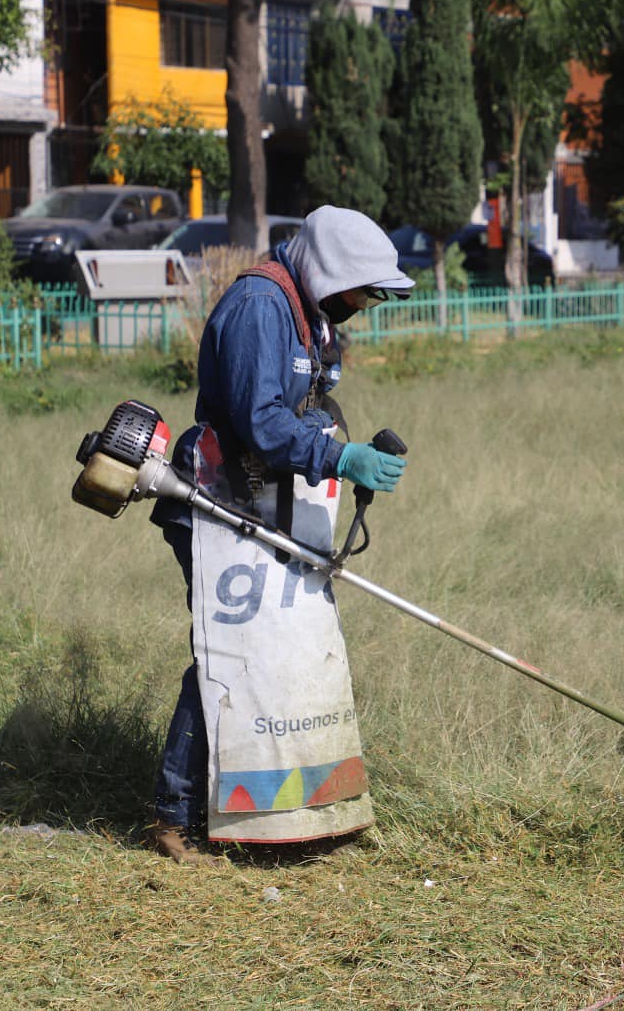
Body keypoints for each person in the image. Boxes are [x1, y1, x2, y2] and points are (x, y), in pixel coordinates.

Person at [147, 206, 412, 864]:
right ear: (330, 273)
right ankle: (172, 818)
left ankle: (286, 811)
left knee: (282, 650)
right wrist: (338, 458)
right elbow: (261, 422)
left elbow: (302, 411)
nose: (366, 303)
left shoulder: (308, 314)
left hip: (267, 503)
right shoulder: (259, 306)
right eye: (364, 289)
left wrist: (339, 449)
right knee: (228, 655)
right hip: (213, 502)